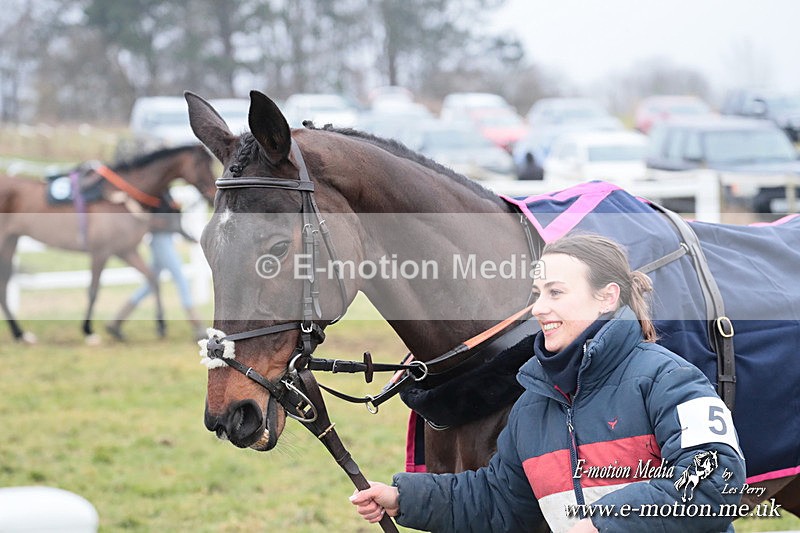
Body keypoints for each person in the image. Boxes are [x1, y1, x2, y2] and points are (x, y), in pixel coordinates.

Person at [350, 233, 746, 532]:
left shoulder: (670, 379)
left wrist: (604, 524)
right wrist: (403, 498)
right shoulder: (532, 404)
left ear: (607, 297)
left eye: (556, 292)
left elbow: (716, 480)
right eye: (537, 293)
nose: (539, 308)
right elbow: (499, 499)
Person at [106, 190, 204, 341]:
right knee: (181, 280)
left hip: (166, 241)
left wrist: (188, 236)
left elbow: (173, 222)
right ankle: (198, 327)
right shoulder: (155, 196)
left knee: (149, 286)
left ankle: (116, 321)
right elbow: (150, 219)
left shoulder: (166, 194)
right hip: (161, 242)